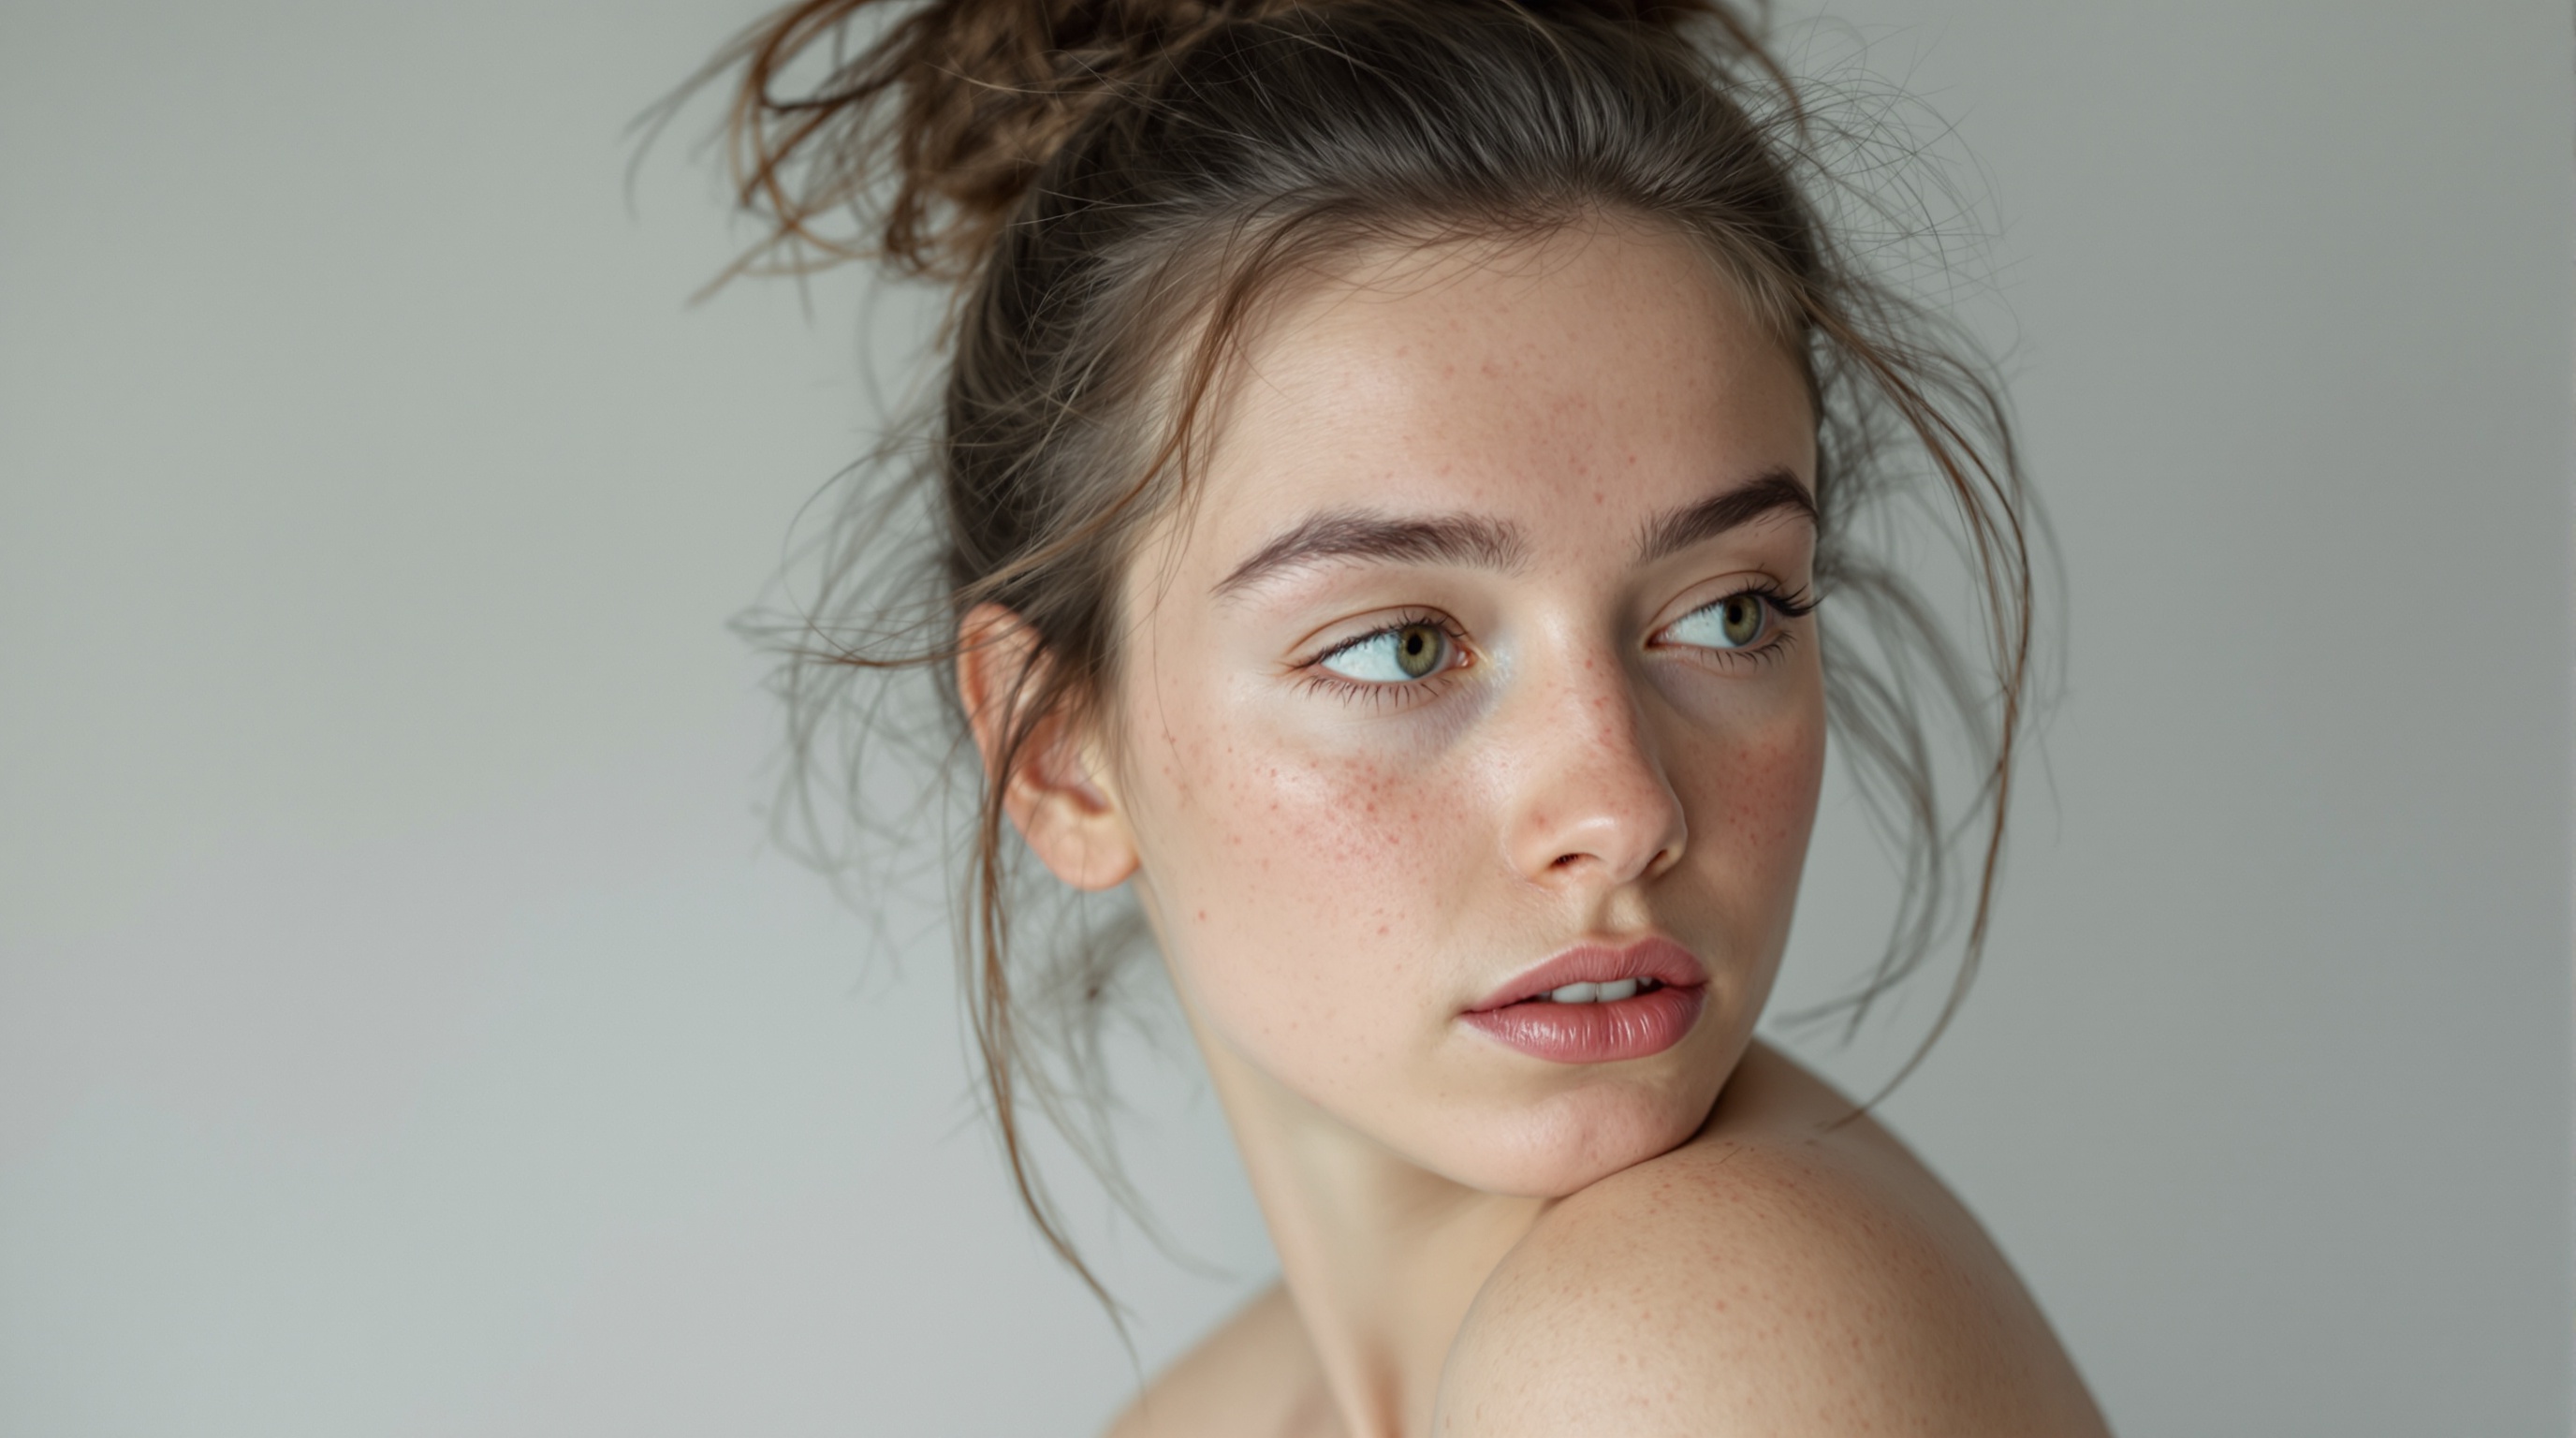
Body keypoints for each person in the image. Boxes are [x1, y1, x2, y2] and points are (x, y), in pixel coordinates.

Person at [692, 0, 2111, 1431]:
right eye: (1401, 645)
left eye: (1729, 613)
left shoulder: (1682, 1348)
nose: (1622, 810)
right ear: (1061, 753)